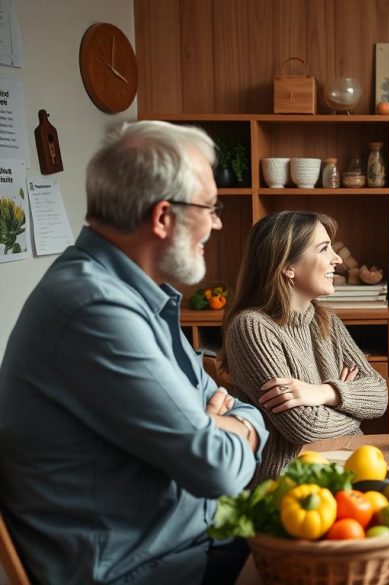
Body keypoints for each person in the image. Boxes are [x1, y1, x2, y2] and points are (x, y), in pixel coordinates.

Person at [0, 121, 268, 585]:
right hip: (145, 567)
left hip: (188, 540)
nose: (218, 222)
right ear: (163, 217)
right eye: (210, 207)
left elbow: (219, 403)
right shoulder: (95, 309)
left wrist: (226, 421)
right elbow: (216, 467)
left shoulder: (137, 295)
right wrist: (236, 428)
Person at [221, 211, 388, 483]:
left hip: (345, 471)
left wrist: (325, 392)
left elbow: (380, 395)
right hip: (288, 486)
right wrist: (354, 412)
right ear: (288, 266)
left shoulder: (326, 320)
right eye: (324, 249)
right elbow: (305, 427)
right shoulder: (251, 328)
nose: (337, 259)